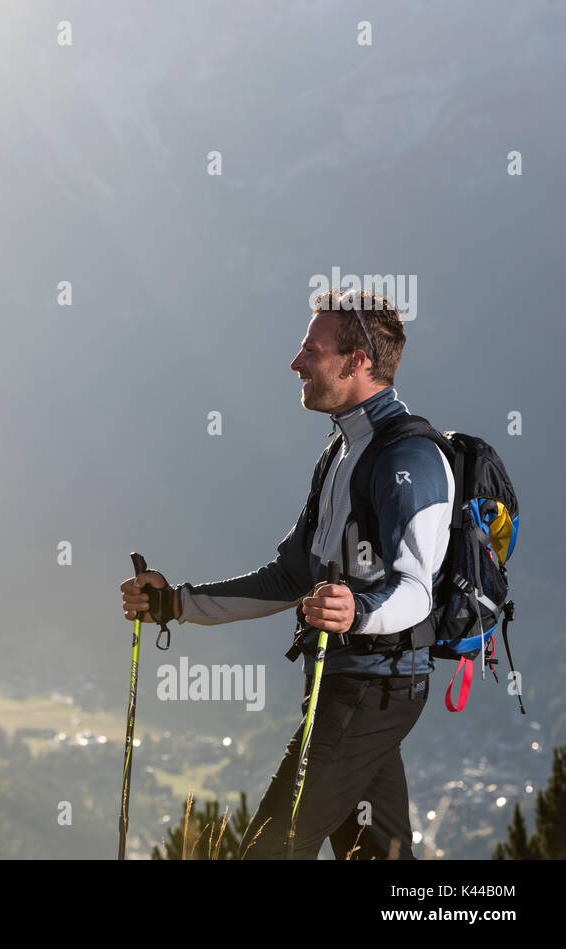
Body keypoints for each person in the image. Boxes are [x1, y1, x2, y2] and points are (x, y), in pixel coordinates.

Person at [120, 288, 451, 860]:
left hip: (374, 687)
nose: (296, 363)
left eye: (311, 350)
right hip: (350, 682)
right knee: (378, 855)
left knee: (271, 849)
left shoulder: (410, 459)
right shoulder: (340, 451)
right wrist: (175, 603)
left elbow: (417, 587)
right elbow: (290, 576)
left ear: (358, 361)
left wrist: (360, 610)